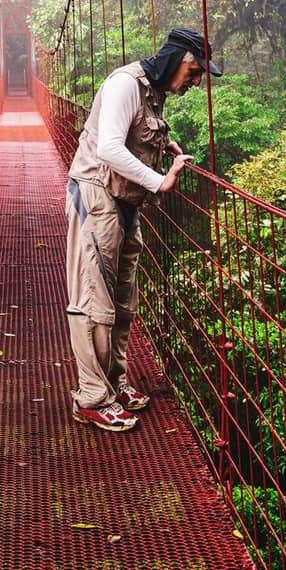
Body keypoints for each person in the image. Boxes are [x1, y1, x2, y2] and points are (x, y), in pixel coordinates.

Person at [63, 26, 219, 432]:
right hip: (98, 196)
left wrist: (162, 146)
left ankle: (114, 381)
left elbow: (132, 135)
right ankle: (93, 397)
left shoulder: (153, 92)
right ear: (181, 61)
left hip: (126, 201)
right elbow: (108, 148)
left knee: (123, 299)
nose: (197, 81)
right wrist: (160, 180)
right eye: (197, 72)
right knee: (95, 298)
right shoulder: (124, 85)